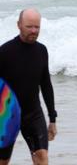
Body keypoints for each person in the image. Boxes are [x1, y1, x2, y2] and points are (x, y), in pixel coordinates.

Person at [0, 9, 57, 165]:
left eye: (37, 27)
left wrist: (52, 118)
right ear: (19, 25)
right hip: (6, 116)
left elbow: (46, 84)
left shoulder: (41, 51)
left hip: (33, 114)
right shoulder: (5, 52)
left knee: (42, 158)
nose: (34, 31)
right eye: (29, 26)